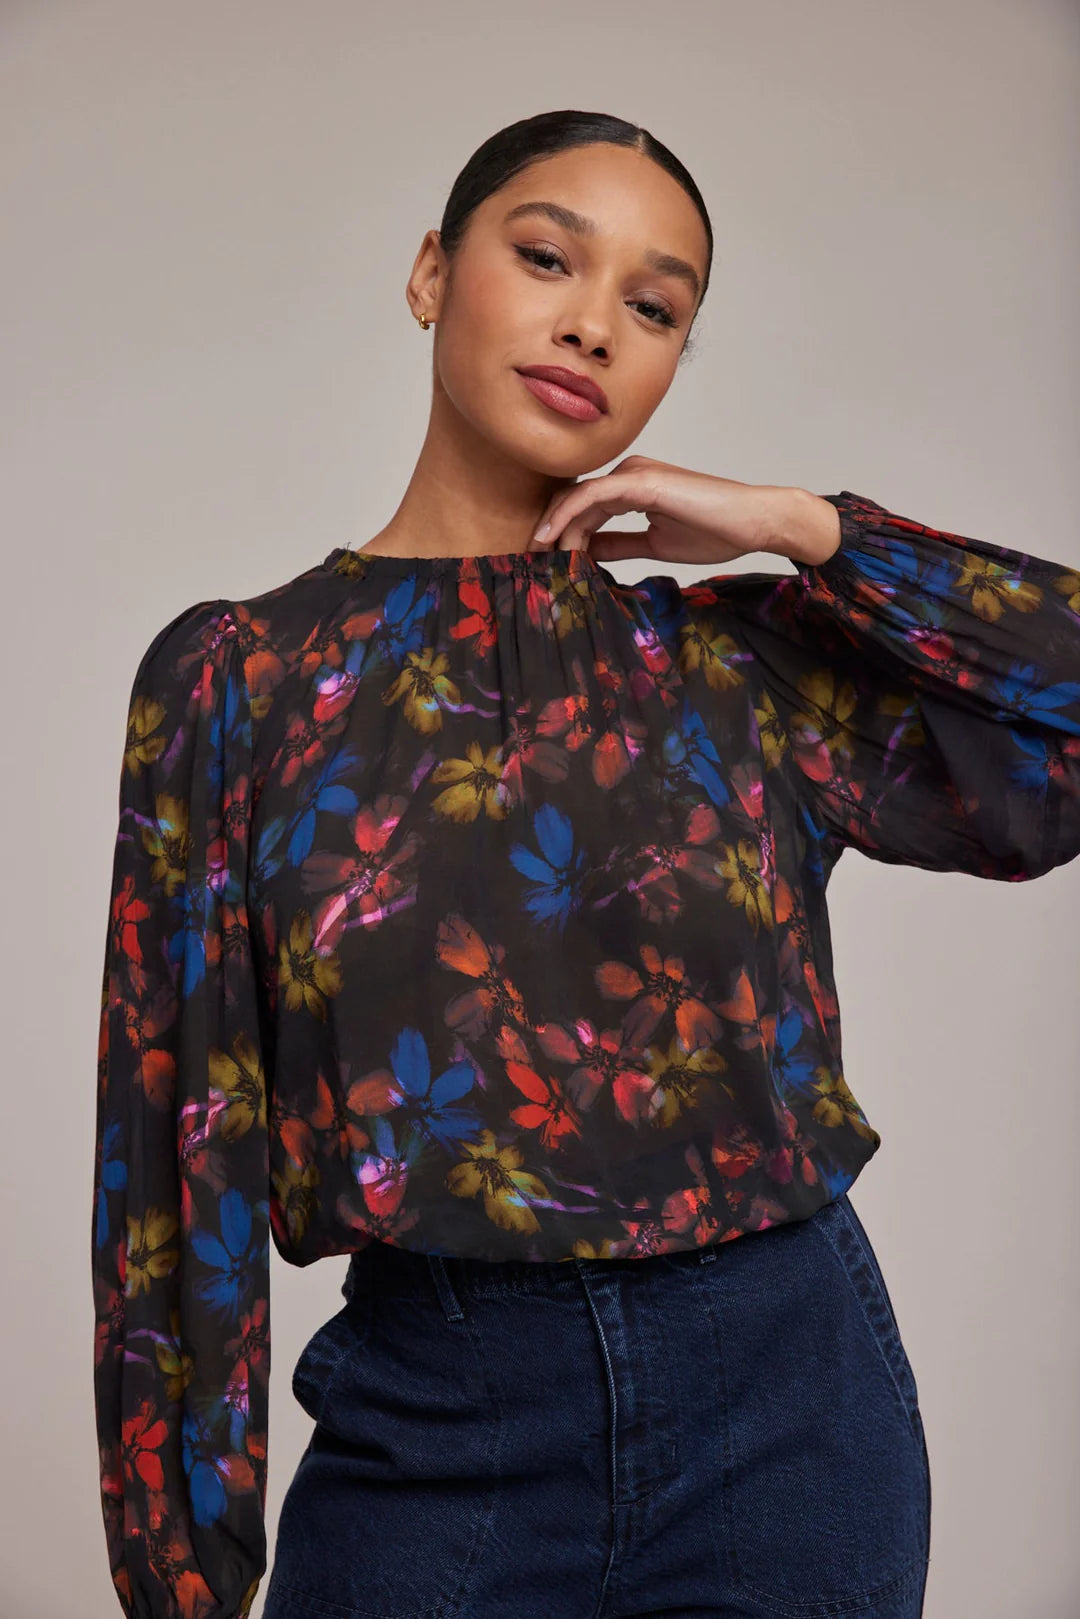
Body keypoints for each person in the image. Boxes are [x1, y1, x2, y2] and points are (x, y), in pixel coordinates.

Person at [90, 108, 1080, 1619]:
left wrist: (807, 529)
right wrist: (183, 1573)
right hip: (435, 1427)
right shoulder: (243, 682)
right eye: (549, 257)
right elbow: (176, 1143)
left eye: (655, 306)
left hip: (790, 1416)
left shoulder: (741, 670)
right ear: (432, 272)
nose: (592, 325)